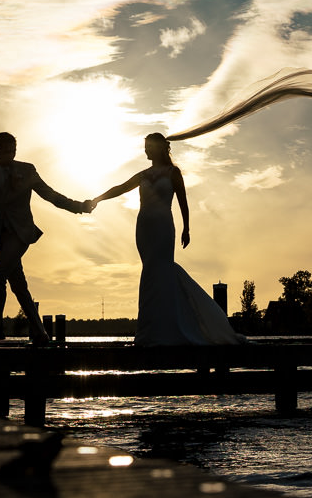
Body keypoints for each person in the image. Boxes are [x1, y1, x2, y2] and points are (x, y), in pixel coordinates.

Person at [91, 133, 243, 346]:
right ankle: (150, 330)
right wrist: (98, 199)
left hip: (163, 227)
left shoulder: (173, 172)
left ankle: (172, 327)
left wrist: (186, 228)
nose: (146, 151)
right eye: (145, 147)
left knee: (163, 269)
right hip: (144, 228)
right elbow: (121, 188)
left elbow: (183, 201)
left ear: (160, 148)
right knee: (150, 272)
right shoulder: (143, 175)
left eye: (149, 147)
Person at [0, 131, 91, 346]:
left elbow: (49, 194)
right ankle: (40, 332)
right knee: (18, 286)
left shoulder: (27, 170)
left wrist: (78, 207)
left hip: (21, 233)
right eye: (6, 151)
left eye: (13, 151)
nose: (10, 155)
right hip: (1, 237)